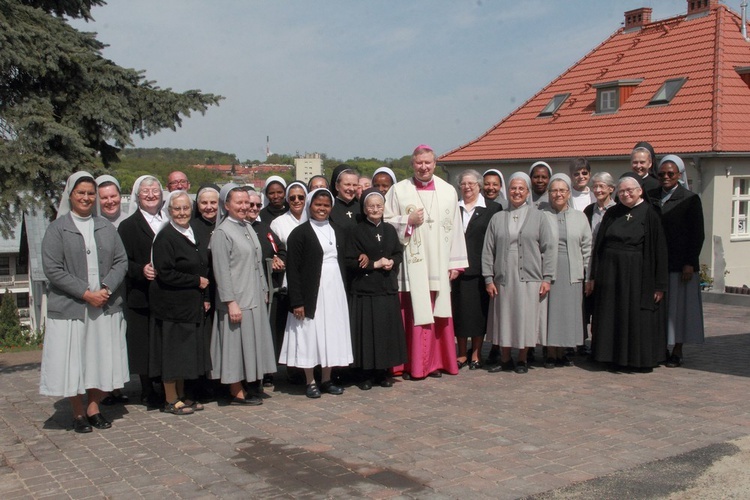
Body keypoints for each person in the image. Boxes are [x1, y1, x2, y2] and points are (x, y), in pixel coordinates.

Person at [40, 172, 129, 433]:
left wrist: (105, 288)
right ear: (70, 195)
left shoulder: (106, 227)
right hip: (72, 308)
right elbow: (53, 269)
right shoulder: (57, 229)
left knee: (99, 359)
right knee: (75, 362)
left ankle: (94, 407)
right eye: (81, 193)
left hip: (104, 305)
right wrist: (85, 292)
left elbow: (121, 261)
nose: (87, 197)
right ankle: (78, 413)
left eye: (91, 193)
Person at [384, 144, 468, 379]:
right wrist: (407, 220)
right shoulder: (399, 190)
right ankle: (410, 364)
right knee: (413, 314)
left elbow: (456, 228)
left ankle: (435, 362)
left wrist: (455, 263)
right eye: (419, 163)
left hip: (439, 264)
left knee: (438, 314)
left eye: (428, 163)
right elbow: (386, 223)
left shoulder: (448, 190)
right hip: (413, 267)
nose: (423, 167)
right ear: (412, 164)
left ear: (434, 164)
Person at [587, 176, 668, 372]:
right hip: (610, 273)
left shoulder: (650, 214)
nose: (626, 194)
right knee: (610, 313)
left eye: (630, 190)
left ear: (640, 191)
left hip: (638, 275)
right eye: (622, 191)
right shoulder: (613, 213)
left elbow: (659, 251)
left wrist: (659, 285)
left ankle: (634, 360)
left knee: (634, 316)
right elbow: (599, 245)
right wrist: (594, 275)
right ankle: (609, 356)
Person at [280, 188, 353, 398]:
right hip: (311, 293)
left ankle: (327, 379)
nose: (322, 209)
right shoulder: (300, 234)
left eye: (326, 205)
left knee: (330, 333)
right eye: (318, 205)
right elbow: (292, 269)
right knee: (309, 334)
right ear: (310, 206)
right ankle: (310, 380)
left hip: (334, 292)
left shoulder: (337, 230)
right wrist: (297, 301)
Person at [210, 185, 277, 405]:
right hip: (237, 298)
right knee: (234, 345)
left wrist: (264, 290)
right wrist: (230, 302)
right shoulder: (222, 232)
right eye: (238, 202)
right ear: (226, 205)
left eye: (246, 202)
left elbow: (257, 262)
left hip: (254, 294)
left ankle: (249, 383)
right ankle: (235, 389)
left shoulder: (247, 227)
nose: (243, 206)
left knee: (251, 343)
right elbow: (222, 271)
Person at [483, 173, 556, 374]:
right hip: (503, 276)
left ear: (527, 192)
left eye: (521, 189)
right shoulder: (498, 217)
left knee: (525, 318)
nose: (516, 192)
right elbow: (488, 250)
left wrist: (547, 277)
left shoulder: (539, 216)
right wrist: (488, 278)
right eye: (513, 188)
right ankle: (505, 358)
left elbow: (548, 249)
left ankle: (522, 358)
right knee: (504, 317)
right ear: (508, 191)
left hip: (530, 276)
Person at [150, 191, 211, 415]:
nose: (182, 213)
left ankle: (182, 395)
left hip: (188, 305)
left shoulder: (190, 232)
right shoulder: (166, 236)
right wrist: (196, 281)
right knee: (172, 354)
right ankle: (170, 399)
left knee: (185, 354)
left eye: (186, 208)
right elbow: (165, 273)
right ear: (169, 211)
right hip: (171, 306)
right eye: (177, 209)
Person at [346, 188, 407, 389]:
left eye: (378, 206)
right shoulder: (355, 231)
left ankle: (382, 372)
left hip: (386, 289)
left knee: (384, 333)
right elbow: (351, 261)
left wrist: (391, 261)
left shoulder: (389, 230)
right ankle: (365, 375)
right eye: (370, 206)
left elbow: (399, 253)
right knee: (366, 334)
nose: (375, 209)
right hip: (365, 290)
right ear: (364, 208)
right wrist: (374, 264)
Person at [648, 155, 705, 367]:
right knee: (660, 308)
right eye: (661, 173)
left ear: (679, 175)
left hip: (681, 264)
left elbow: (697, 234)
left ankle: (678, 349)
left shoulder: (690, 199)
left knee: (679, 310)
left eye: (670, 173)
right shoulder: (651, 196)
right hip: (657, 264)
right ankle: (660, 347)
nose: (665, 177)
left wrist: (690, 262)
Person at [118, 175, 166, 406]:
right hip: (141, 293)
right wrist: (140, 270)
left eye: (155, 191)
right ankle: (147, 389)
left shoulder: (168, 220)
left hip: (167, 293)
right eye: (145, 191)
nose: (150, 195)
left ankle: (165, 384)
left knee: (163, 340)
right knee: (144, 344)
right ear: (137, 196)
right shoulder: (128, 226)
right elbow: (121, 261)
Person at [452, 170, 501, 370]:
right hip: (457, 270)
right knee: (461, 314)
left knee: (479, 314)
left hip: (481, 269)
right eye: (463, 184)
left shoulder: (493, 208)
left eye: (471, 183)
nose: (467, 187)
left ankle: (476, 353)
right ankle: (462, 353)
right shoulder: (454, 208)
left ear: (479, 185)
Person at [543, 174, 592, 367]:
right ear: (549, 194)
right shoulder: (541, 215)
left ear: (569, 193)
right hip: (549, 270)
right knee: (550, 313)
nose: (558, 194)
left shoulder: (580, 217)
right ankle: (550, 352)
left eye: (562, 190)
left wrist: (589, 275)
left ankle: (562, 351)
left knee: (567, 313)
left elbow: (587, 247)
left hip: (573, 270)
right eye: (554, 190)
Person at [584, 173, 617, 241]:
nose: (598, 190)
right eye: (595, 186)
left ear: (611, 189)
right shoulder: (589, 210)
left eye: (601, 186)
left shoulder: (617, 210)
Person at [329, 164, 361, 228]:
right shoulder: (330, 207)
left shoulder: (361, 208)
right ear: (337, 186)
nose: (351, 189)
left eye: (354, 185)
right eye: (347, 184)